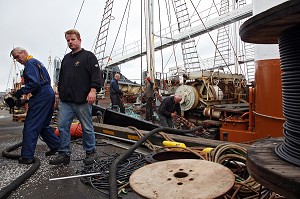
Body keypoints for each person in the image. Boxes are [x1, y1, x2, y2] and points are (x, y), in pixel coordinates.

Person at [49, 29, 102, 165]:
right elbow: (62, 79)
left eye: (72, 39)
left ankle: (90, 152)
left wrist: (93, 91)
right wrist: (59, 95)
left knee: (87, 127)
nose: (70, 42)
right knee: (62, 126)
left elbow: (96, 75)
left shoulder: (89, 56)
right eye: (68, 40)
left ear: (79, 39)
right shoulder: (66, 59)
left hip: (82, 100)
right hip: (66, 101)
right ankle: (64, 154)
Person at [10, 47, 60, 164]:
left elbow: (34, 83)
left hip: (41, 94)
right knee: (43, 125)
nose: (17, 60)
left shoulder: (30, 64)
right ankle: (56, 145)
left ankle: (27, 156)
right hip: (48, 93)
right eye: (15, 58)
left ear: (24, 52)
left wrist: (19, 93)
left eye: (17, 56)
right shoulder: (37, 62)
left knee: (31, 125)